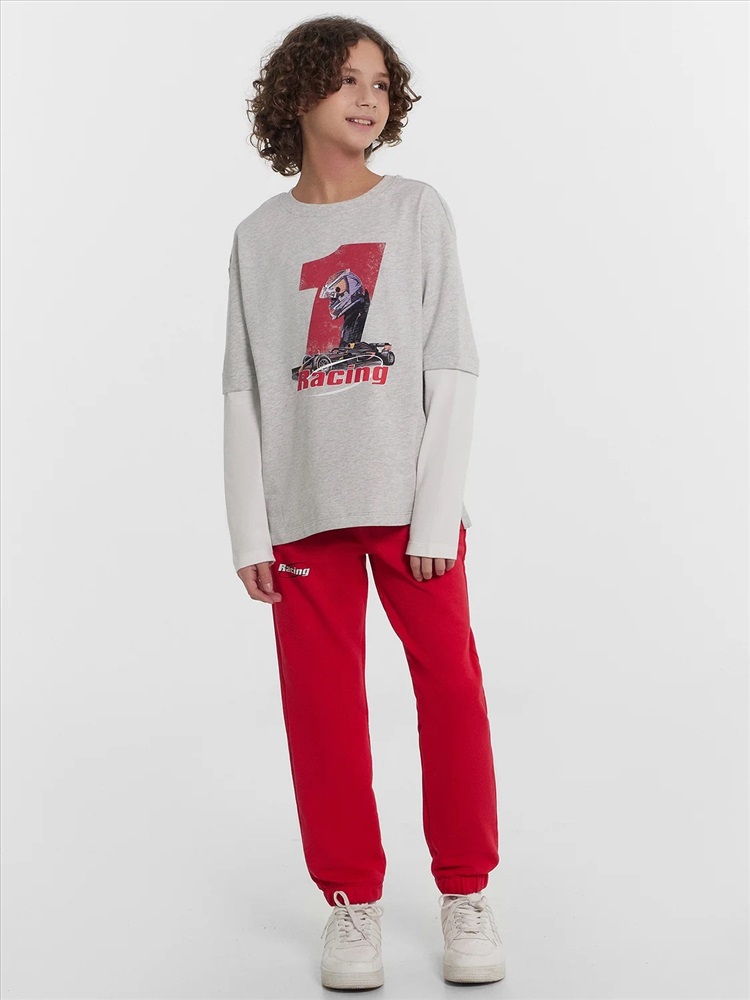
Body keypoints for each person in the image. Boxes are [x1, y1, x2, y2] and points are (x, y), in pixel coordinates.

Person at [222, 14, 505, 990]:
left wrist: (436, 511)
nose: (367, 97)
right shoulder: (259, 239)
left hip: (407, 506)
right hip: (303, 511)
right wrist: (249, 527)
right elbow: (243, 388)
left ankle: (465, 889)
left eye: (380, 83)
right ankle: (351, 903)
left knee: (451, 690)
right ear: (299, 93)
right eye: (346, 79)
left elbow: (454, 363)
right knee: (321, 710)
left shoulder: (417, 211)